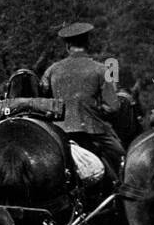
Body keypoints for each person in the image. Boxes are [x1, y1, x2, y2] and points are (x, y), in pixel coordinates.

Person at [41, 22, 124, 181]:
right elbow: (113, 107)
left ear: (67, 46)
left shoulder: (52, 70)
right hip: (92, 131)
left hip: (59, 132)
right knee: (121, 158)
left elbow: (44, 99)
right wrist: (98, 109)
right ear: (88, 43)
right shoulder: (103, 69)